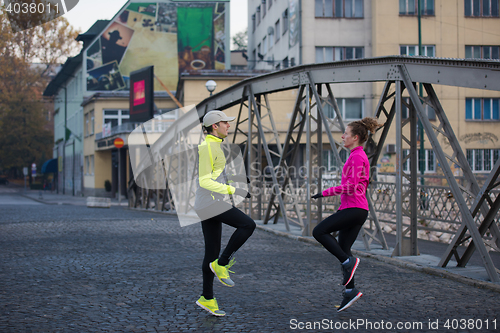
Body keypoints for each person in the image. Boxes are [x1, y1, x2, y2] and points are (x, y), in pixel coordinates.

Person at [311, 117, 382, 312]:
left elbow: (350, 186)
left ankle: (349, 263)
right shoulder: (355, 155)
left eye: (346, 134)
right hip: (354, 209)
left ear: (356, 137)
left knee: (319, 232)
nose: (342, 136)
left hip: (355, 209)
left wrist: (324, 193)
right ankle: (350, 291)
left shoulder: (357, 156)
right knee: (343, 249)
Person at [194, 110, 256, 317]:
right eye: (225, 123)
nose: (228, 126)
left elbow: (216, 174)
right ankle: (222, 263)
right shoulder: (207, 147)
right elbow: (205, 181)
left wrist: (238, 181)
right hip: (210, 203)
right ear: (214, 126)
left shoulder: (214, 145)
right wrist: (234, 190)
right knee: (248, 225)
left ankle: (207, 298)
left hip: (209, 203)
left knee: (210, 253)